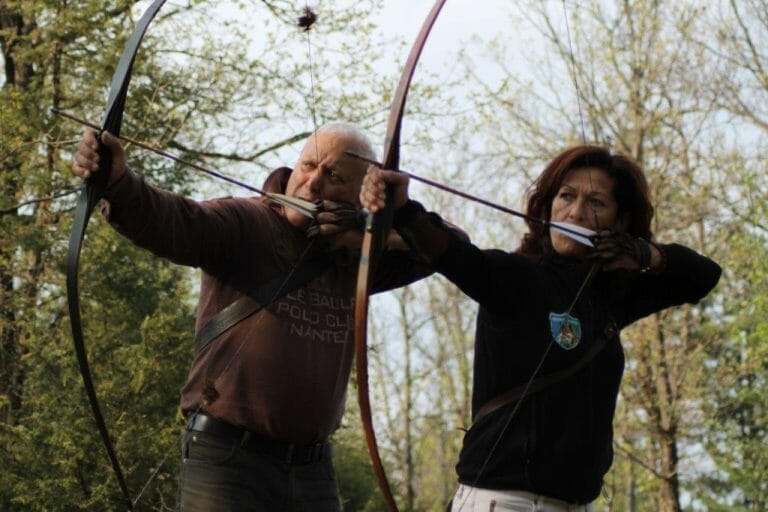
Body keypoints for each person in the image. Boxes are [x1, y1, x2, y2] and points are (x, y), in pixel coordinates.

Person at [72, 123, 433, 511]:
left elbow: (450, 250)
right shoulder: (247, 223)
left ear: (361, 197)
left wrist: (384, 228)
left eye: (334, 177)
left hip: (313, 472)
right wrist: (118, 182)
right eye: (308, 165)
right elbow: (173, 219)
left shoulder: (356, 258)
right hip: (228, 462)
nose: (312, 184)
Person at [360, 145, 721, 511]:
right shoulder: (514, 277)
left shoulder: (615, 297)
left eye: (596, 203)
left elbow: (704, 275)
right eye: (566, 196)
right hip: (503, 502)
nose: (576, 212)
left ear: (621, 222)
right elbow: (449, 252)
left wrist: (646, 254)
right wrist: (404, 209)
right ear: (548, 205)